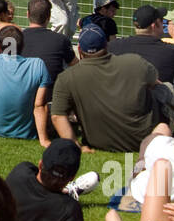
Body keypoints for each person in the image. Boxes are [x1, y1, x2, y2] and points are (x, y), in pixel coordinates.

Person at [50, 25, 156, 153]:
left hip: (99, 143)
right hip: (143, 141)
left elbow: (57, 116)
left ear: (79, 49)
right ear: (106, 45)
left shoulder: (66, 78)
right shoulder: (135, 62)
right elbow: (155, 81)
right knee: (164, 88)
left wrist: (74, 145)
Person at [1, 138, 91, 221]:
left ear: (40, 164)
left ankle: (67, 190)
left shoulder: (20, 171)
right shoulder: (70, 209)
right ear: (71, 178)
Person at [108, 4, 174, 104]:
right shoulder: (172, 52)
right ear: (154, 25)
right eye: (161, 20)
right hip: (156, 110)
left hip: (118, 104)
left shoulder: (114, 46)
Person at [20, 0, 75, 90]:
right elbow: (75, 64)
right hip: (52, 97)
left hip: (22, 94)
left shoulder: (17, 39)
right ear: (49, 17)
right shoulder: (61, 40)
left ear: (28, 14)